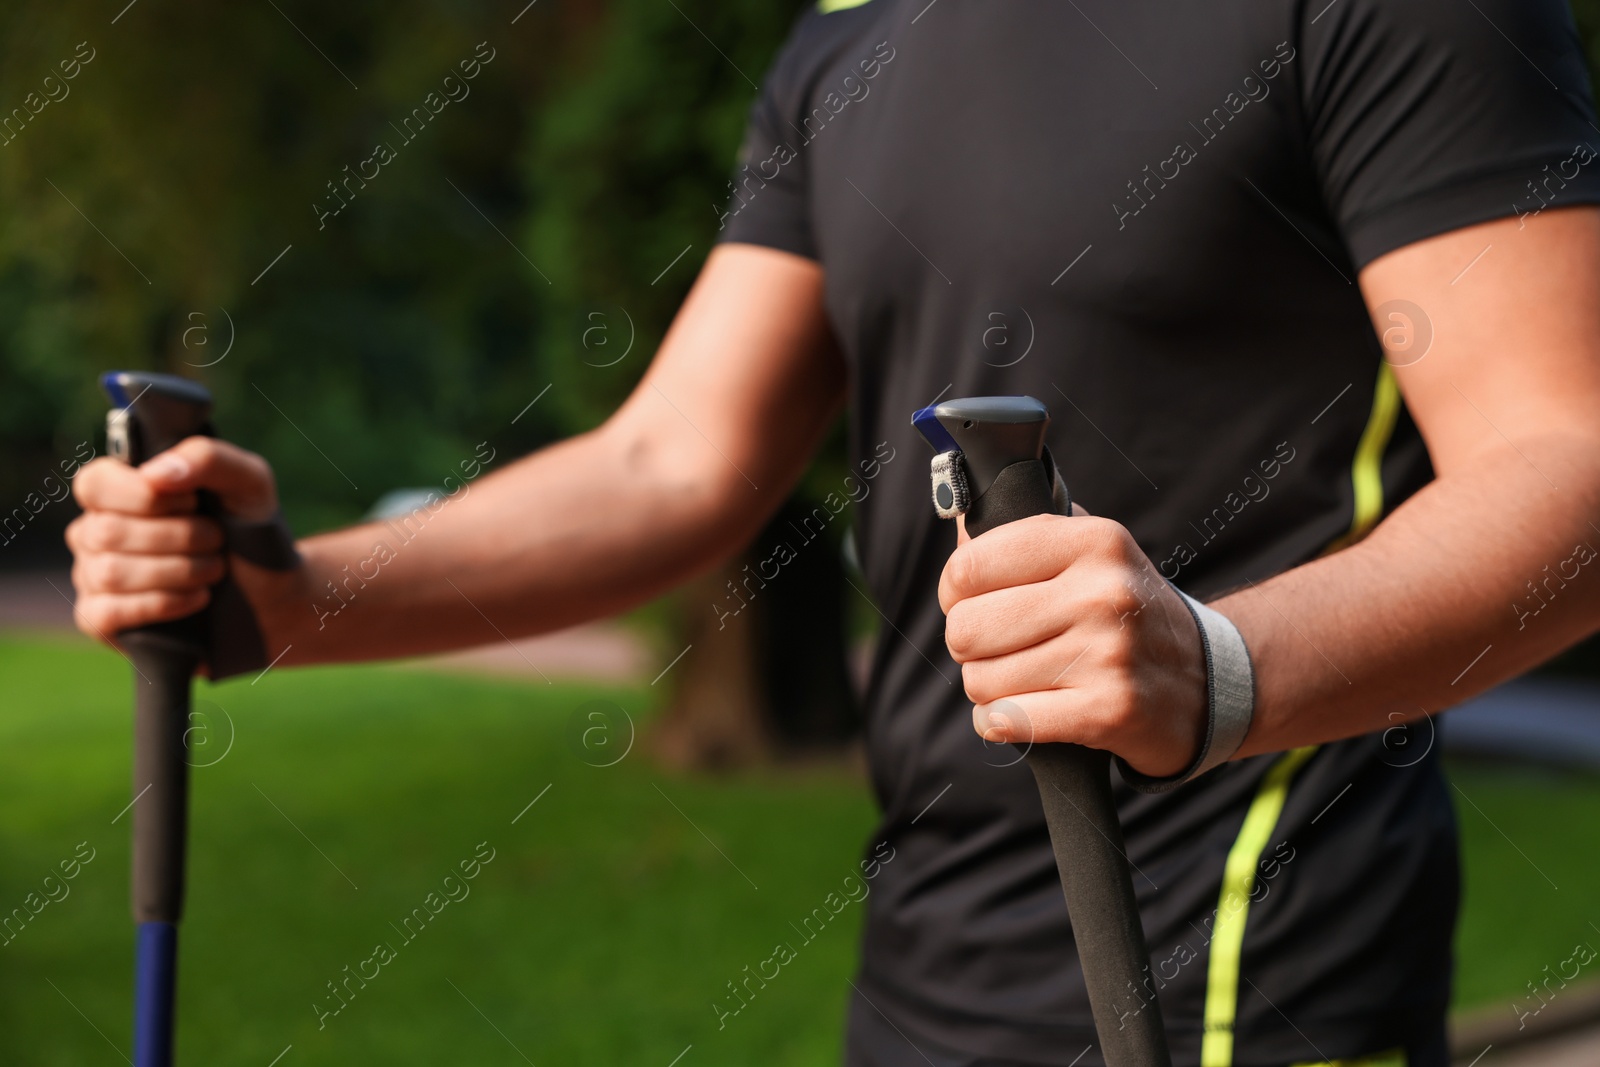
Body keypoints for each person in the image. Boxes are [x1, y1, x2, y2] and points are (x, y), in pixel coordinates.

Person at [67, 0, 1600, 1063]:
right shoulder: (851, 40)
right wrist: (292, 595)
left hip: (1237, 980)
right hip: (929, 968)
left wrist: (1223, 665)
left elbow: (1568, 463)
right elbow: (671, 464)